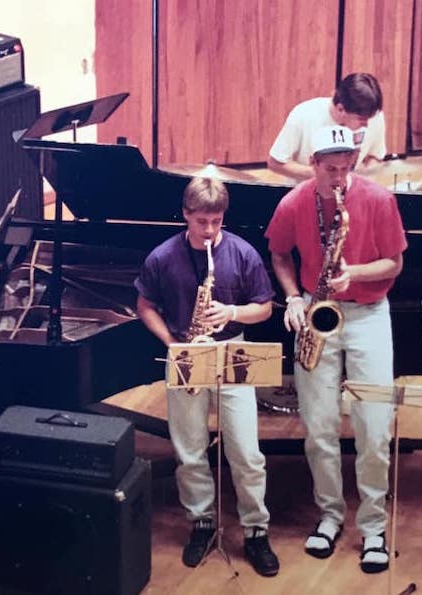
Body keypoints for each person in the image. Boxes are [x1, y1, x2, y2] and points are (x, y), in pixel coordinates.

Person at [266, 125, 407, 573]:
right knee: (319, 425)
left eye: (347, 170)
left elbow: (396, 262)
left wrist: (358, 273)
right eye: (331, 171)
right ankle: (329, 514)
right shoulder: (293, 202)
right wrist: (291, 297)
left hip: (367, 311)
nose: (340, 179)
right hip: (317, 308)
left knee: (373, 424)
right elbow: (279, 254)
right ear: (313, 166)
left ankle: (373, 526)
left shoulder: (379, 200)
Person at [135, 176, 280, 577]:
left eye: (216, 221)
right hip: (185, 353)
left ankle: (255, 530)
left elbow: (265, 309)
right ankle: (201, 522)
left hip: (233, 352)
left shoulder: (243, 253)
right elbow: (144, 305)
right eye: (202, 221)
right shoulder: (162, 257)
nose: (210, 231)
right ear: (185, 215)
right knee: (189, 448)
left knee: (247, 453)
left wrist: (231, 313)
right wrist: (171, 343)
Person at [268, 72, 386, 181]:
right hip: (307, 194)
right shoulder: (303, 114)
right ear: (341, 109)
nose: (366, 124)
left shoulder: (374, 115)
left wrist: (363, 179)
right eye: (361, 119)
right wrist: (325, 174)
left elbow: (376, 157)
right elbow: (275, 163)